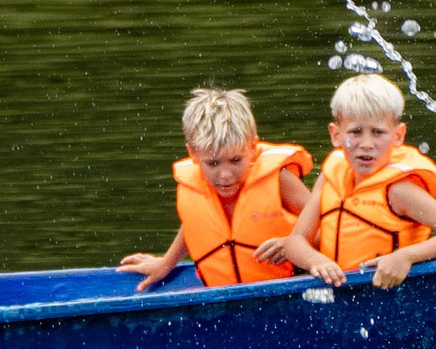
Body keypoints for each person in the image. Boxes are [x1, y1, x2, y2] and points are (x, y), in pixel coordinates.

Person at [259, 72, 436, 289]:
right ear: (335, 135)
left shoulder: (398, 190)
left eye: (378, 132)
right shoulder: (330, 177)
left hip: (384, 293)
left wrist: (405, 256)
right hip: (337, 292)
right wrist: (317, 262)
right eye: (355, 132)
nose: (366, 143)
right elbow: (296, 241)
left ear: (398, 136)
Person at [118, 87, 315, 290]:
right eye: (213, 163)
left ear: (252, 147)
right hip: (223, 295)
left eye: (236, 160)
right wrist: (165, 263)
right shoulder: (196, 186)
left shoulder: (279, 179)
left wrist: (293, 243)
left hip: (287, 285)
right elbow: (197, 223)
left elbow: (326, 224)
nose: (225, 174)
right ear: (193, 152)